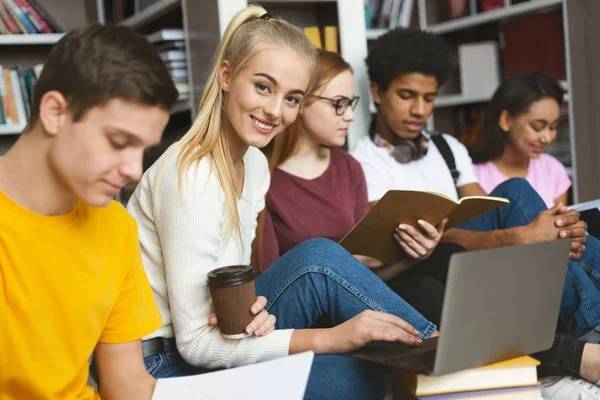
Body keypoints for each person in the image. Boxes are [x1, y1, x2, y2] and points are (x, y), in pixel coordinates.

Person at [126, 7, 436, 399]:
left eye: (292, 98)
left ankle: (447, 360)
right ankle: (446, 359)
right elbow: (196, 344)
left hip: (215, 333)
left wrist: (252, 305)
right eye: (262, 87)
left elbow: (227, 293)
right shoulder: (192, 175)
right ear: (225, 76)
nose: (275, 111)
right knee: (349, 366)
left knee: (319, 264)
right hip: (163, 363)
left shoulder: (254, 164)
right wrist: (330, 339)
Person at [351, 26, 600, 394]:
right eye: (406, 96)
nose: (420, 110)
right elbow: (424, 245)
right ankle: (592, 324)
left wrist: (551, 230)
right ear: (377, 92)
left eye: (429, 98)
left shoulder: (448, 147)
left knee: (520, 197)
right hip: (429, 268)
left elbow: (494, 209)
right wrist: (521, 236)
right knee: (521, 210)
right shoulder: (363, 164)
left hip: (478, 258)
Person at [0, 24, 179, 399]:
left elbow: (127, 385)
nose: (134, 170)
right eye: (118, 142)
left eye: (142, 150)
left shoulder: (116, 227)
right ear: (55, 112)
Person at [256, 48, 449, 325]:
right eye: (338, 103)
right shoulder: (262, 180)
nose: (350, 116)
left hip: (354, 300)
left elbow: (366, 279)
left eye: (350, 103)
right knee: (426, 293)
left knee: (431, 280)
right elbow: (273, 289)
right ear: (299, 102)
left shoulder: (349, 168)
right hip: (307, 314)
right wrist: (356, 262)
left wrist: (413, 257)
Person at [470, 73, 571, 208]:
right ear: (506, 120)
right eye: (537, 127)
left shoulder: (552, 169)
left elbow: (559, 226)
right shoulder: (471, 176)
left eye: (553, 127)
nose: (547, 138)